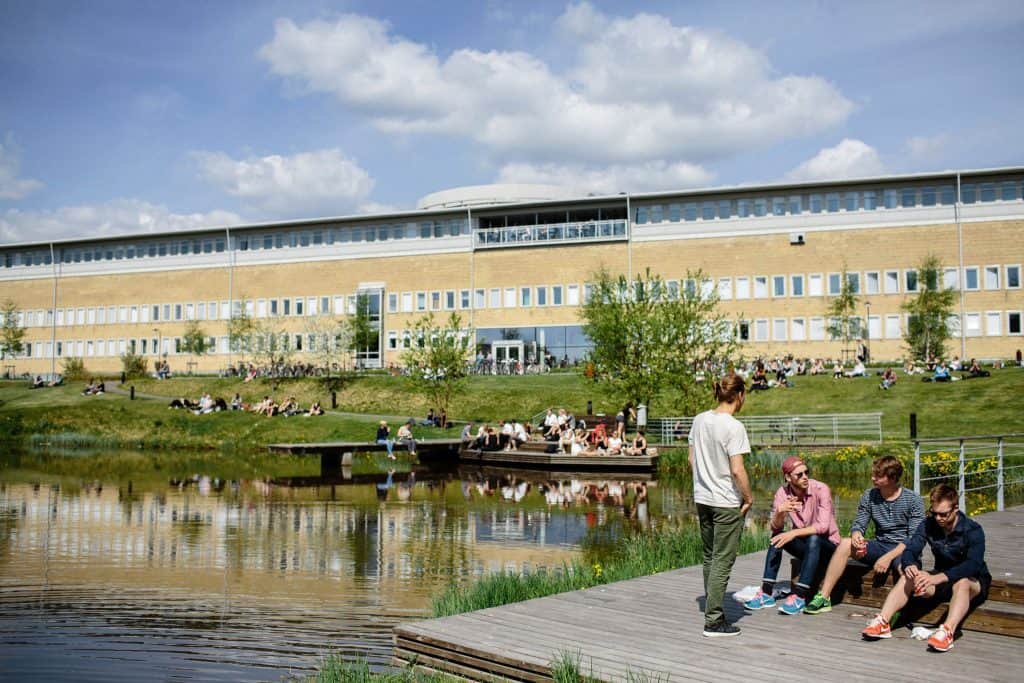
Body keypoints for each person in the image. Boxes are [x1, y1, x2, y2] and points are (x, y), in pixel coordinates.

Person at [861, 484, 990, 652]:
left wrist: (938, 577)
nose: (938, 518)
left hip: (973, 581)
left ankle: (947, 632)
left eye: (943, 514)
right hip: (942, 580)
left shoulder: (973, 530)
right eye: (934, 513)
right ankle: (883, 622)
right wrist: (910, 566)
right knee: (910, 576)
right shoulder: (928, 524)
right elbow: (911, 548)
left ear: (956, 508)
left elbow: (973, 565)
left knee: (962, 583)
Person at [804, 455, 925, 615]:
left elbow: (914, 539)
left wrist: (888, 557)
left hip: (904, 548)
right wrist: (857, 535)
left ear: (893, 478)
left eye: (878, 476)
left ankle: (900, 610)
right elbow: (860, 523)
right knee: (845, 543)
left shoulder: (913, 500)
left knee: (906, 568)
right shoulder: (869, 495)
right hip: (880, 544)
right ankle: (824, 596)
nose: (872, 478)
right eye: (873, 474)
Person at [689, 372, 754, 637]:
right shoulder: (733, 426)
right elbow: (737, 470)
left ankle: (712, 608)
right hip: (725, 501)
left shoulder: (699, 419)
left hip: (702, 498)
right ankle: (714, 621)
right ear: (739, 395)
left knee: (709, 557)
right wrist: (748, 498)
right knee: (722, 561)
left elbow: (692, 460)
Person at [744, 457, 840, 614]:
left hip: (829, 547)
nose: (805, 477)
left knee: (814, 538)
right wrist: (780, 512)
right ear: (788, 478)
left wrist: (793, 532)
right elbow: (776, 527)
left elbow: (822, 527)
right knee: (777, 538)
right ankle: (766, 592)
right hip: (806, 547)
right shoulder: (782, 493)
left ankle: (800, 596)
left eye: (806, 472)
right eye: (799, 475)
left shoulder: (821, 489)